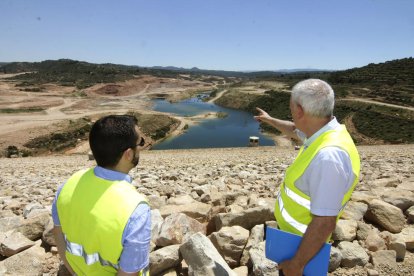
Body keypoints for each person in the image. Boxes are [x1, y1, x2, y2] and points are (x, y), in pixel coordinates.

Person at [255, 79, 360, 276]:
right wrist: (269, 119)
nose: (291, 113)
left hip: (303, 248)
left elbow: (325, 221)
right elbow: (294, 130)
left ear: (300, 110)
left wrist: (297, 264)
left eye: (291, 107)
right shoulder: (323, 133)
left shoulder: (328, 157)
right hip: (294, 240)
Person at [52, 115, 150, 276]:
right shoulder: (136, 210)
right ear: (128, 154)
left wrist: (75, 273)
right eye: (140, 143)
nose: (141, 147)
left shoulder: (68, 185)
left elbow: (58, 237)